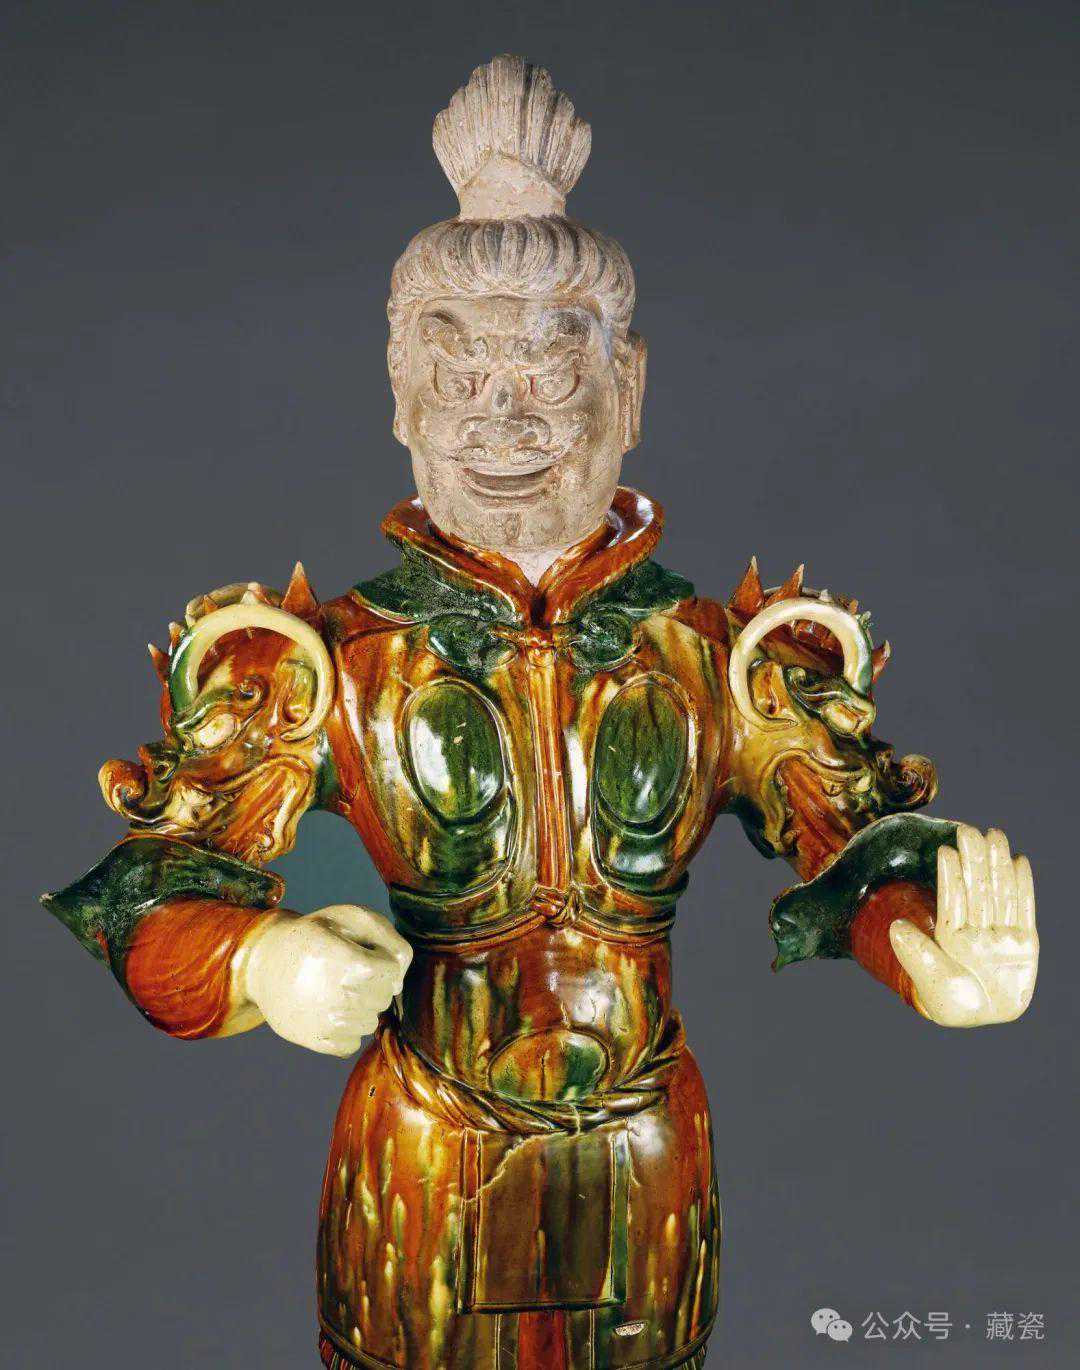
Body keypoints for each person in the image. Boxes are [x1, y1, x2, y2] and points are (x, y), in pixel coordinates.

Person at [44, 56, 1038, 1370]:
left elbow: (854, 842)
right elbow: (158, 889)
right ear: (399, 391)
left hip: (643, 1153)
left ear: (630, 391)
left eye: (549, 378)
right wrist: (260, 963)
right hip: (421, 1151)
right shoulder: (325, 664)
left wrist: (931, 955)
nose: (503, 421)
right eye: (460, 379)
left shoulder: (718, 658)